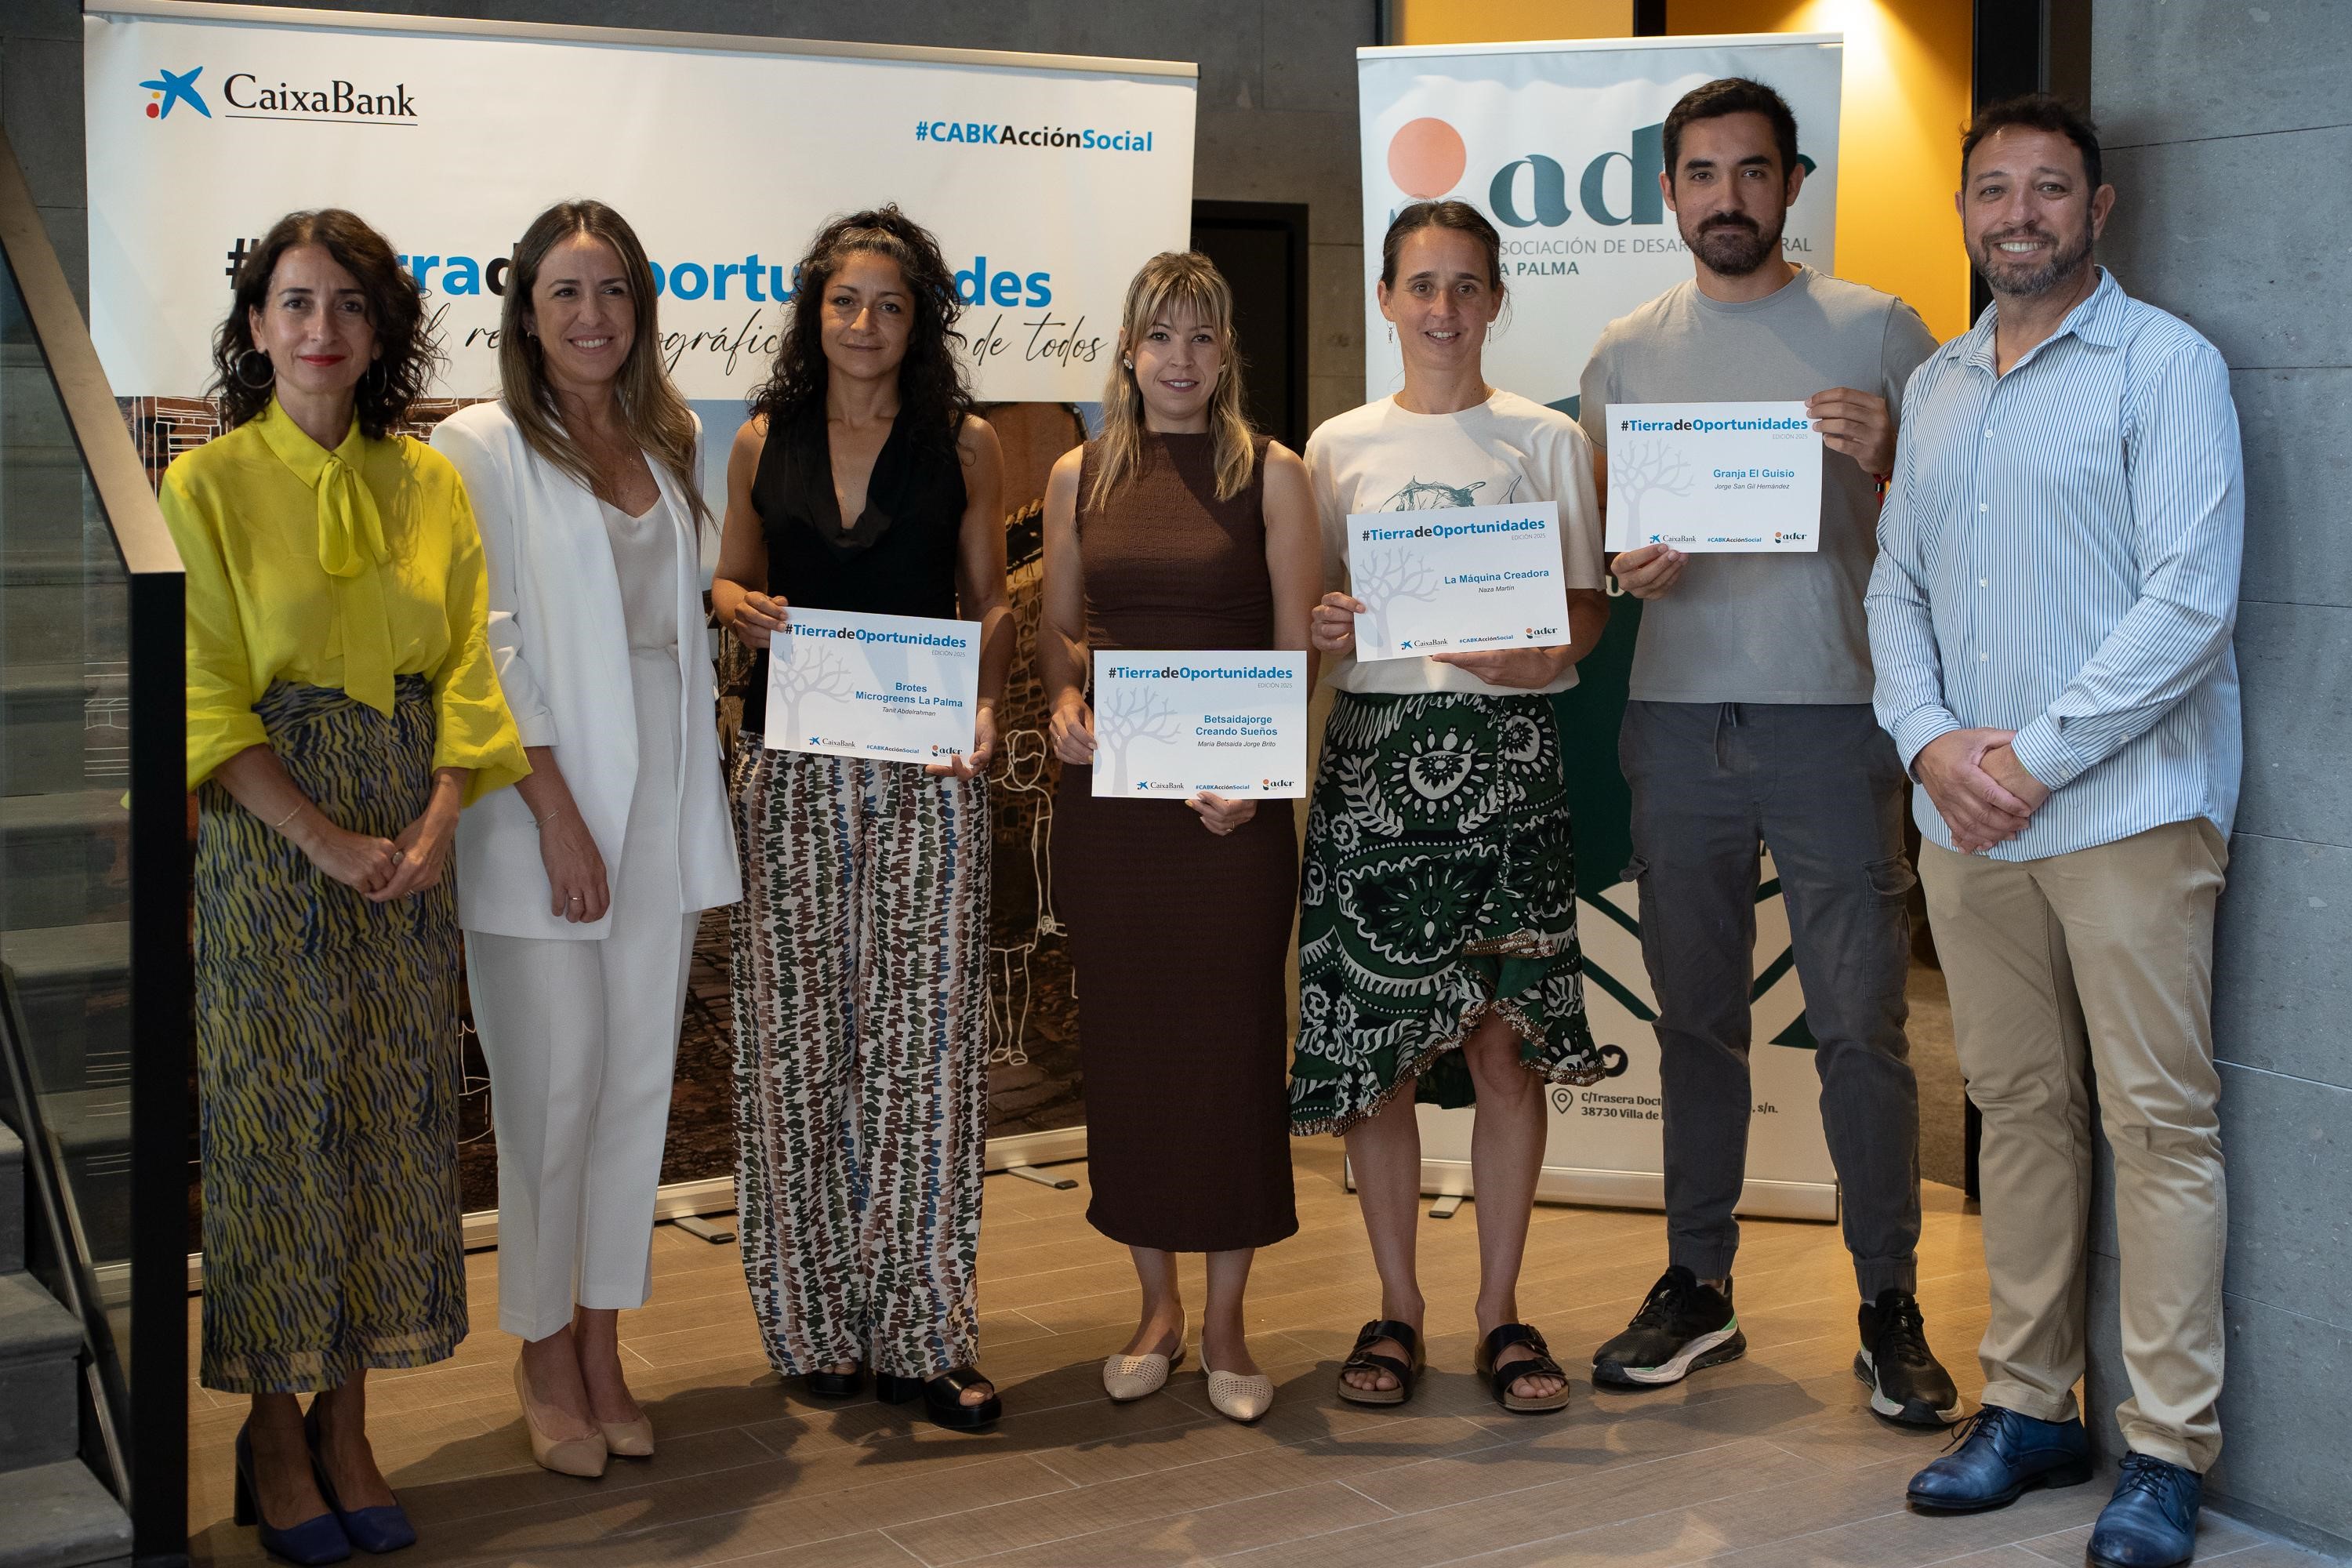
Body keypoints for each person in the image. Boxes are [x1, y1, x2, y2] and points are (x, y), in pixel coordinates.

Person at [1872, 96, 2243, 1568]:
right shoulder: (1943, 386)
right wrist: (1929, 744)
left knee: (2159, 1125)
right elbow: (1895, 588)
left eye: (2047, 189)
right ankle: (2031, 1407)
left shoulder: (2169, 367)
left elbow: (2190, 603)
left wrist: (2027, 754)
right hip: (1967, 822)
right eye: (1992, 190)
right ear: (1966, 213)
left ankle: (2165, 1448)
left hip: (2129, 815)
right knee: (2018, 1115)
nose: (2015, 213)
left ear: (2101, 210)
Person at [1575, 77, 1958, 1425]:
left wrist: (1901, 449)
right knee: (1695, 1020)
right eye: (1699, 173)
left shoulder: (1882, 329)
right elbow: (1609, 550)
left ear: (1794, 185)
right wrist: (1630, 568)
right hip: (1676, 721)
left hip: (1834, 719)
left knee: (1860, 1021)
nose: (1724, 196)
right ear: (1669, 192)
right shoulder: (1622, 353)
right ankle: (1699, 1284)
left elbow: (1972, 515)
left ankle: (1888, 1303)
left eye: (1751, 172)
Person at [165, 209, 528, 1563]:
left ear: (381, 333)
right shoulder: (206, 488)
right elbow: (204, 697)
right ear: (256, 324)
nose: (323, 331)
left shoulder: (429, 481)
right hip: (275, 847)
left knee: (388, 1122)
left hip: (408, 846)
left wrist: (439, 812)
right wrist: (323, 837)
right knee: (276, 1133)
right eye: (296, 304)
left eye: (351, 308)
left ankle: (352, 1414)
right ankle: (272, 1429)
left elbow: (471, 677)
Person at [431, 201, 741, 1478]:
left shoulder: (668, 443)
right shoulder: (481, 447)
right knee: (549, 1091)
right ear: (524, 309)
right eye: (565, 292)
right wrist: (555, 813)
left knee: (630, 1090)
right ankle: (541, 1353)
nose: (592, 317)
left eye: (612, 291)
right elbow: (484, 644)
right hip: (536, 798)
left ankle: (604, 1340)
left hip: (662, 787)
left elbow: (673, 617)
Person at [1298, 200, 1611, 1417]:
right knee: (1378, 1055)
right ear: (1385, 300)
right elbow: (1312, 611)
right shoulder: (1334, 448)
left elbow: (1584, 608)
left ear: (1495, 302)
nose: (1443, 309)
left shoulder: (1544, 442)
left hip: (1508, 762)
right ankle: (1397, 1308)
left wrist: (1548, 658)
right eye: (1420, 286)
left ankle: (1500, 1311)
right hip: (1376, 762)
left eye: (1466, 286)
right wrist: (1321, 627)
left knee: (1504, 1048)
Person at [711, 207, 1011, 1432]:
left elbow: (991, 604)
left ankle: (927, 1332)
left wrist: (986, 707)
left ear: (920, 317)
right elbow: (730, 573)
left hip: (926, 772)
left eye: (891, 305)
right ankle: (816, 1323)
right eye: (846, 302)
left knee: (924, 1053)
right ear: (813, 311)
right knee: (797, 1054)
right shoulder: (756, 441)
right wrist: (732, 601)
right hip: (788, 773)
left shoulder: (969, 443)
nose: (866, 325)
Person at [1040, 252, 1319, 1425]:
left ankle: (1225, 1320)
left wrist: (1262, 782)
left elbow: (1303, 646)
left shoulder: (1276, 474)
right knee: (1136, 1052)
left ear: (1227, 354)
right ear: (1128, 349)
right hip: (1114, 810)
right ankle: (1154, 1308)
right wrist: (1061, 703)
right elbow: (1063, 629)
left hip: (1231, 814)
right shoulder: (1075, 472)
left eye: (1203, 339)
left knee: (1232, 1052)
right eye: (1161, 337)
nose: (1182, 362)